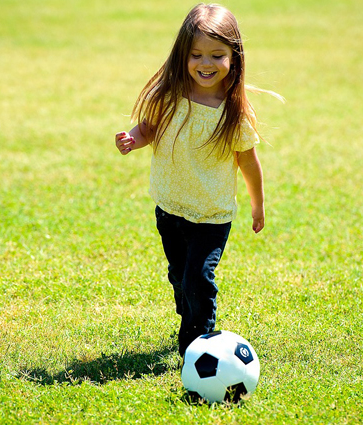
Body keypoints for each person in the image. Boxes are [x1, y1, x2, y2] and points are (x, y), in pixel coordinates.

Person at [114, 3, 279, 356]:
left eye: (217, 55)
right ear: (183, 55)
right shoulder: (170, 97)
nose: (206, 64)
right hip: (170, 208)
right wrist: (132, 139)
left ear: (234, 57)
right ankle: (189, 316)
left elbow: (249, 164)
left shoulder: (233, 115)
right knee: (179, 277)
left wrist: (258, 205)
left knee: (197, 280)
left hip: (211, 215)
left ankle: (198, 346)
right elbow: (148, 129)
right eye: (197, 55)